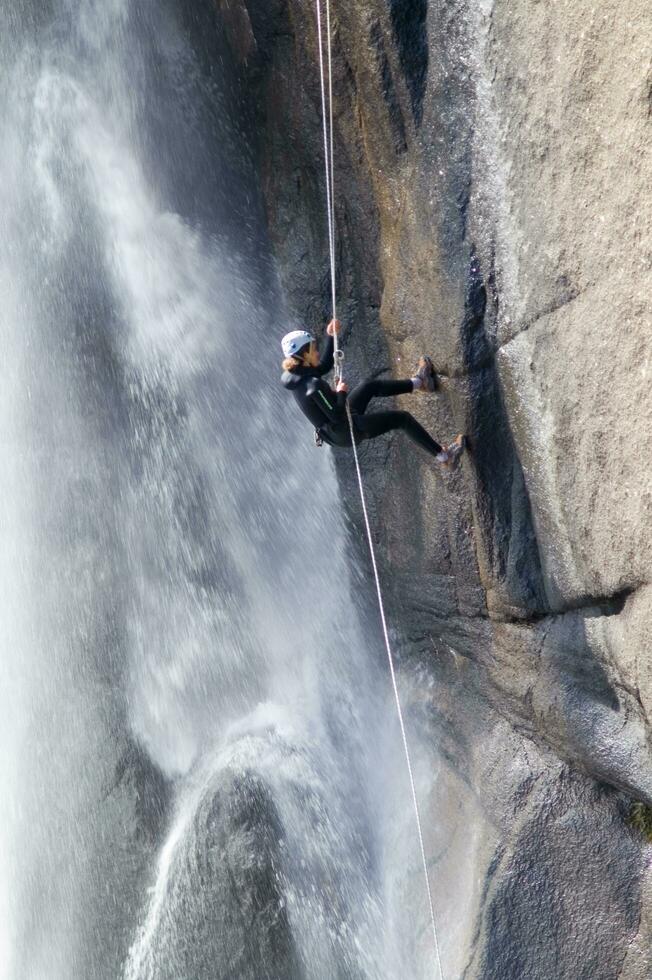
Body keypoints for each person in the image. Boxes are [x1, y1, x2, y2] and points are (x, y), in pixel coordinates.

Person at [281, 319, 466, 467]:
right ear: (304, 355)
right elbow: (336, 415)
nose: (317, 352)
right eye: (313, 349)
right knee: (402, 419)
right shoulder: (312, 385)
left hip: (340, 419)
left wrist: (331, 336)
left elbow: (324, 366)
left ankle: (420, 382)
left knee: (369, 386)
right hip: (344, 430)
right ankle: (444, 456)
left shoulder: (298, 372)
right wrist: (341, 392)